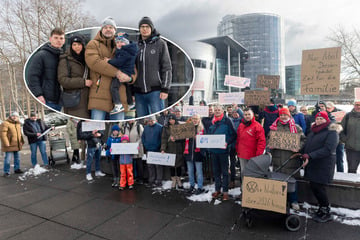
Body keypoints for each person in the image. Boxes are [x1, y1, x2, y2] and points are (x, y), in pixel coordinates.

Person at [85, 17, 136, 120]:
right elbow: (94, 63)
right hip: (99, 96)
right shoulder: (93, 44)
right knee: (97, 130)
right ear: (101, 29)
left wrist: (130, 78)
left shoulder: (123, 45)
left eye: (111, 27)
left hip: (119, 97)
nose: (108, 29)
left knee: (118, 131)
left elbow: (132, 66)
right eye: (106, 27)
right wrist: (117, 73)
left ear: (115, 30)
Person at [302, 111, 342, 222]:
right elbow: (307, 144)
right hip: (313, 163)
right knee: (314, 186)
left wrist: (310, 155)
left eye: (321, 119)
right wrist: (300, 151)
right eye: (317, 119)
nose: (319, 121)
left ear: (326, 120)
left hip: (324, 164)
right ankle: (322, 208)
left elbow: (328, 149)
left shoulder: (332, 132)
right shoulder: (314, 131)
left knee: (319, 188)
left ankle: (326, 211)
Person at [133, 16, 172, 117]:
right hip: (138, 92)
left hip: (156, 91)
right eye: (142, 26)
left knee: (158, 120)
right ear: (139, 29)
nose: (144, 29)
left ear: (151, 28)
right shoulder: (135, 46)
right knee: (142, 121)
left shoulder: (160, 44)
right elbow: (131, 68)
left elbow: (166, 67)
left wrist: (165, 89)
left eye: (147, 26)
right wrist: (131, 92)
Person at [268, 107, 305, 210]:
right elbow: (268, 139)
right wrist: (270, 145)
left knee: (292, 181)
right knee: (278, 181)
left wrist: (298, 147)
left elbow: (303, 140)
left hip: (291, 159)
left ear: (289, 116)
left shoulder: (296, 128)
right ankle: (280, 201)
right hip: (277, 158)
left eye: (285, 115)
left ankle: (293, 200)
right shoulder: (274, 127)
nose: (283, 117)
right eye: (281, 115)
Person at [27, 28, 65, 111]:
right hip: (46, 100)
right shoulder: (41, 55)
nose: (58, 40)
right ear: (50, 39)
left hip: (59, 100)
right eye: (56, 38)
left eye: (61, 38)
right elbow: (32, 76)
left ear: (64, 40)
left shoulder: (63, 56)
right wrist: (39, 95)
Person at [57, 34, 91, 119]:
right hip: (74, 101)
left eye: (79, 44)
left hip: (89, 100)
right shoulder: (65, 60)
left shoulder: (87, 59)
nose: (77, 47)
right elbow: (63, 80)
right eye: (74, 44)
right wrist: (83, 82)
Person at [208, 104, 237, 201]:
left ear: (222, 111)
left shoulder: (227, 121)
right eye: (215, 110)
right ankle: (217, 189)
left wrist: (227, 142)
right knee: (216, 172)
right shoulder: (211, 122)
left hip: (223, 151)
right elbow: (208, 135)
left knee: (224, 172)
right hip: (213, 151)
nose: (217, 111)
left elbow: (233, 135)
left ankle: (225, 192)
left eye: (218, 110)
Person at [107, 33, 138, 114]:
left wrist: (109, 61)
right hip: (128, 71)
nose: (119, 44)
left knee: (114, 87)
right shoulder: (129, 50)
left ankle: (118, 105)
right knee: (127, 88)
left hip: (124, 71)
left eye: (122, 42)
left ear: (126, 43)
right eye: (117, 42)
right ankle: (131, 104)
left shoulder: (125, 51)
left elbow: (119, 62)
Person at [235, 108, 266, 178]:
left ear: (252, 115)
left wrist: (259, 154)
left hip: (253, 155)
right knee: (243, 172)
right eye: (245, 114)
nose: (247, 116)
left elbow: (261, 141)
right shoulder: (241, 125)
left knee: (252, 173)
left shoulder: (257, 126)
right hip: (242, 154)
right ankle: (244, 186)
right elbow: (238, 139)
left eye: (249, 114)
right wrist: (237, 150)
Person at [160, 114, 185, 189]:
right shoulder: (165, 128)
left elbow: (183, 137)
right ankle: (173, 179)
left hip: (179, 148)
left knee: (179, 165)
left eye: (172, 119)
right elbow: (163, 139)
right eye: (170, 120)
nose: (171, 121)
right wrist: (163, 149)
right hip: (170, 148)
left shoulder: (180, 126)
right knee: (171, 165)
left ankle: (179, 179)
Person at [184, 114, 205, 194]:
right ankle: (191, 185)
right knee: (190, 171)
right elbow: (182, 139)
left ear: (199, 120)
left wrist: (199, 139)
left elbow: (206, 141)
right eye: (193, 119)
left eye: (196, 119)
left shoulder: (202, 129)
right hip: (189, 153)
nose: (195, 120)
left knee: (199, 172)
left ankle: (200, 187)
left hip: (198, 153)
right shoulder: (188, 128)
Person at [0, 112, 24, 176]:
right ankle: (6, 171)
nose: (15, 117)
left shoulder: (18, 123)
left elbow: (20, 133)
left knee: (17, 158)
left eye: (16, 116)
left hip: (17, 144)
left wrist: (22, 141)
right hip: (9, 145)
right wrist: (6, 143)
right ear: (10, 116)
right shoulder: (5, 123)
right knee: (7, 159)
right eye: (13, 116)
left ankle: (17, 169)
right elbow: (2, 134)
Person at [141, 116, 163, 186]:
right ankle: (151, 180)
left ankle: (159, 180)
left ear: (155, 120)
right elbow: (143, 137)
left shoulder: (160, 127)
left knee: (158, 166)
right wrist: (145, 145)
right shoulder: (146, 128)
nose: (150, 122)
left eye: (151, 121)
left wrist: (158, 145)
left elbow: (162, 138)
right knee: (150, 166)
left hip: (157, 149)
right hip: (149, 149)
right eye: (149, 121)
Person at [340, 100, 360, 173]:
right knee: (351, 170)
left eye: (359, 105)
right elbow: (341, 129)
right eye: (356, 105)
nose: (358, 106)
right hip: (351, 149)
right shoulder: (348, 116)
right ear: (354, 105)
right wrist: (345, 139)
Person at [326, 101, 345, 172]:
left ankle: (341, 173)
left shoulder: (341, 113)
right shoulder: (326, 114)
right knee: (330, 158)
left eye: (329, 108)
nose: (327, 109)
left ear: (333, 108)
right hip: (330, 140)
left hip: (339, 140)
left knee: (339, 159)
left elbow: (344, 127)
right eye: (326, 108)